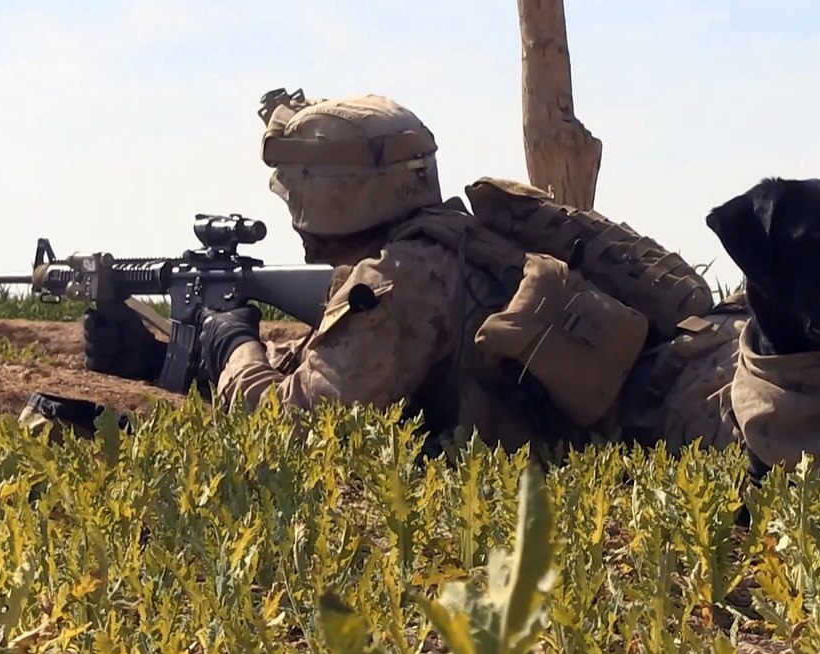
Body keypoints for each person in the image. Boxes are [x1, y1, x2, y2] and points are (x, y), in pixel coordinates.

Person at [79, 88, 748, 456]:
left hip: (697, 426)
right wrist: (163, 359)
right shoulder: (457, 242)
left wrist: (229, 340)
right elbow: (353, 365)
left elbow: (299, 428)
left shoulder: (395, 282)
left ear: (327, 193)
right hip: (698, 376)